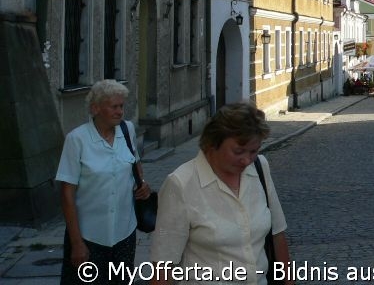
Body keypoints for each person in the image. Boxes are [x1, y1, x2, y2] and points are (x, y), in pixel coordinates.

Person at [150, 102, 291, 285]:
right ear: (212, 143)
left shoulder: (260, 168)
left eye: (254, 151)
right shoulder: (180, 184)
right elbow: (163, 266)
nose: (247, 159)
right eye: (238, 151)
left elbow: (277, 235)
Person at [56, 79, 152, 285]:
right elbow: (66, 194)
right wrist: (76, 243)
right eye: (114, 107)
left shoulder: (127, 130)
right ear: (95, 108)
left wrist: (142, 184)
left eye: (122, 106)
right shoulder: (77, 139)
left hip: (124, 233)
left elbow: (135, 162)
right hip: (90, 236)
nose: (120, 112)